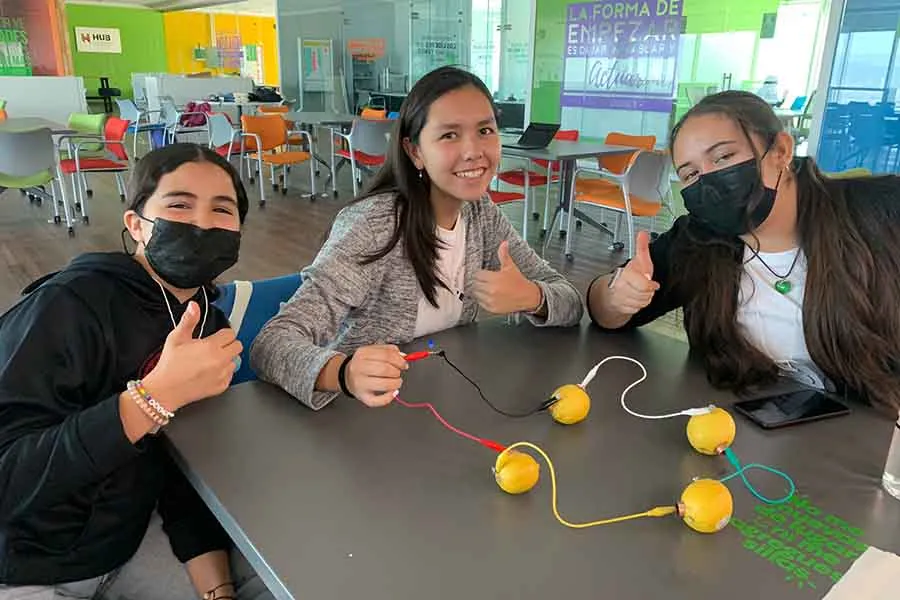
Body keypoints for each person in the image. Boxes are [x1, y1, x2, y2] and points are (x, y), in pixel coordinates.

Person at [0, 144, 272, 599]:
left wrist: (218, 590)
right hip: (26, 564)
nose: (202, 223)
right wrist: (150, 399)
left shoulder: (210, 326)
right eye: (179, 205)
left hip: (129, 542)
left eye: (222, 210)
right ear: (136, 224)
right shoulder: (67, 306)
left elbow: (187, 467)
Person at [250, 66, 583, 410]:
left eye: (485, 130)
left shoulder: (480, 213)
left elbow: (571, 301)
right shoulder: (374, 225)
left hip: (441, 401)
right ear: (415, 152)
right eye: (449, 135)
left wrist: (533, 297)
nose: (473, 150)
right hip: (361, 416)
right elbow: (271, 344)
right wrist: (345, 373)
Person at [587, 91, 900, 413]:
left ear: (780, 150)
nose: (709, 178)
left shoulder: (882, 212)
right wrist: (616, 297)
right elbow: (604, 310)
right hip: (742, 427)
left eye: (723, 157)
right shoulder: (698, 239)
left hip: (875, 430)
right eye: (691, 174)